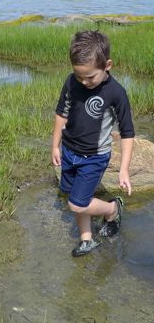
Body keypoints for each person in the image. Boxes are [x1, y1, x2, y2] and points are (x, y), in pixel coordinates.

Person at [51, 30, 134, 257]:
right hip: (69, 151)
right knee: (74, 196)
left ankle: (112, 208)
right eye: (80, 76)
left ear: (107, 65)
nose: (84, 82)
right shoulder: (71, 82)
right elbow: (62, 113)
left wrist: (124, 169)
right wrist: (55, 145)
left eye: (90, 77)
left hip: (94, 157)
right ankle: (86, 239)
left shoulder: (116, 93)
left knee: (77, 204)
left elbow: (127, 133)